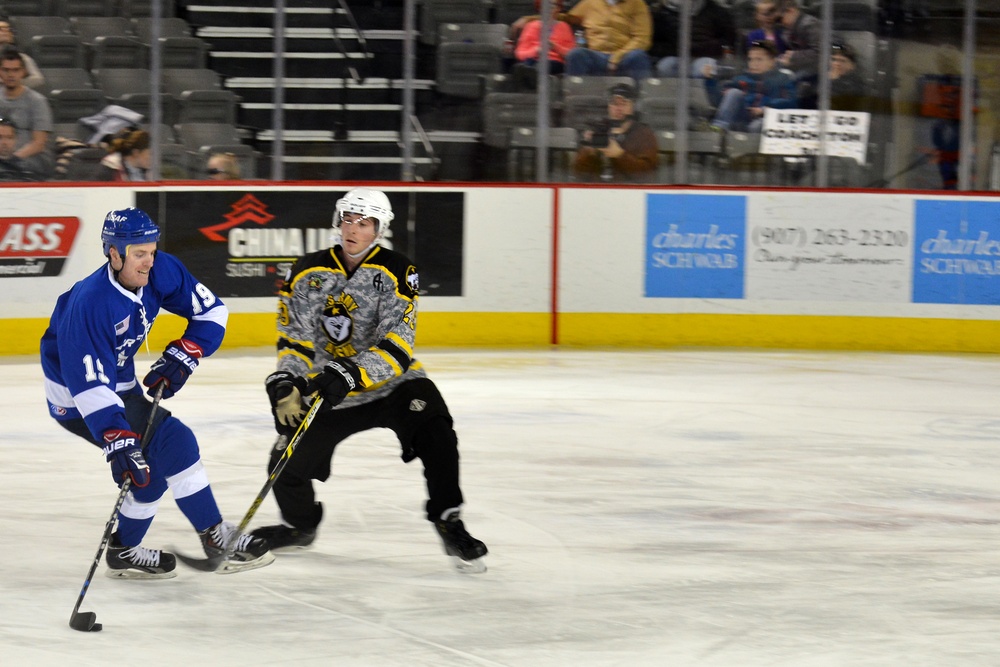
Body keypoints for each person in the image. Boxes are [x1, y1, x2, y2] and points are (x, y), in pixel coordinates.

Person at [252, 188, 489, 573]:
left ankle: (449, 520)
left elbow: (398, 343)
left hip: (393, 384)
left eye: (364, 223)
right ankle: (299, 526)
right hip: (330, 389)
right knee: (285, 459)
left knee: (437, 431)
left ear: (379, 229)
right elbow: (294, 339)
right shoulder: (307, 270)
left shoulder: (398, 269)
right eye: (348, 219)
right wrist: (286, 382)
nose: (353, 229)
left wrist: (350, 373)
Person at [40, 207, 274, 578]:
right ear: (113, 254)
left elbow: (212, 312)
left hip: (119, 382)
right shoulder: (90, 303)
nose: (148, 263)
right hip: (75, 398)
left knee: (152, 472)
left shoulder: (161, 269)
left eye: (150, 250)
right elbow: (88, 385)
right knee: (173, 441)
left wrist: (189, 351)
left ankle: (124, 551)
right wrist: (117, 438)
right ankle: (215, 536)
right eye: (138, 254)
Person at [513, 0, 652, 80]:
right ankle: (571, 100)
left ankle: (639, 105)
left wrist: (616, 57)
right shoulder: (591, 2)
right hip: (596, 55)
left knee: (639, 55)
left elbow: (642, 39)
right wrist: (529, 18)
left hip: (624, 56)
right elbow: (563, 17)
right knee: (576, 54)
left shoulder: (638, 4)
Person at [702, 39, 797, 132]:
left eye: (759, 59)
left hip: (765, 118)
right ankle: (718, 129)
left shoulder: (783, 78)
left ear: (772, 61)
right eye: (750, 60)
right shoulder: (740, 79)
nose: (753, 64)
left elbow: (790, 102)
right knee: (734, 92)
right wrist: (710, 81)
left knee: (757, 125)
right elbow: (719, 103)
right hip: (742, 118)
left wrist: (764, 109)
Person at [572, 82, 658, 182]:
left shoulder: (644, 134)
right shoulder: (597, 129)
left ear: (633, 107)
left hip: (631, 194)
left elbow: (647, 176)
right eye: (614, 103)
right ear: (608, 106)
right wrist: (588, 152)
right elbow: (578, 175)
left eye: (624, 103)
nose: (618, 108)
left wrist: (619, 155)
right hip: (597, 192)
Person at [0, 47, 53, 178]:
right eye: (6, 70)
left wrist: (12, 160)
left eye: (15, 70)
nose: (11, 75)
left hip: (30, 161)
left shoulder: (37, 101)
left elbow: (39, 143)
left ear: (23, 72)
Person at [650, 0, 737, 79]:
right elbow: (654, 43)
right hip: (675, 56)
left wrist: (710, 47)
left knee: (702, 70)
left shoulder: (714, 10)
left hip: (706, 56)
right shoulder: (663, 12)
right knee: (665, 67)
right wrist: (677, 50)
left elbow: (729, 39)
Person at [513, 0, 575, 79]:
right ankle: (530, 73)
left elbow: (571, 55)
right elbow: (519, 54)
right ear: (540, 8)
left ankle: (531, 74)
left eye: (552, 5)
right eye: (544, 5)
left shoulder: (564, 27)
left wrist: (555, 46)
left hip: (554, 62)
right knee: (522, 66)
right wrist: (537, 51)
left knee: (542, 66)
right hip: (532, 61)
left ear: (558, 8)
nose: (548, 8)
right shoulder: (530, 26)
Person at [775, 0, 820, 87]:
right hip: (803, 64)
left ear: (790, 11)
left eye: (780, 19)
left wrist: (794, 57)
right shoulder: (789, 29)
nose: (780, 23)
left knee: (791, 81)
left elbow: (820, 53)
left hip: (818, 67)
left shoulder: (810, 24)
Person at [0, 18, 44, 90]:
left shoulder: (22, 57)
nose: (6, 31)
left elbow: (38, 79)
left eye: (9, 29)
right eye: (1, 29)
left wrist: (13, 82)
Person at [829, 42, 867, 111]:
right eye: (834, 59)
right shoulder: (820, 78)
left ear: (852, 65)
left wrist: (834, 81)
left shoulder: (857, 84)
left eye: (842, 61)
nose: (837, 64)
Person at [0, 116, 35, 180]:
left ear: (16, 140)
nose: (4, 142)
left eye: (9, 137)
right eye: (0, 137)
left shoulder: (26, 169)